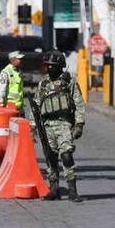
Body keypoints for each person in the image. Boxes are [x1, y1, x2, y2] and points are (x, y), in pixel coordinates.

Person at [34, 50, 86, 203]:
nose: (50, 68)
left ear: (60, 66)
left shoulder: (69, 83)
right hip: (46, 125)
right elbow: (36, 106)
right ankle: (54, 189)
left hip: (63, 123)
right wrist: (32, 127)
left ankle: (72, 190)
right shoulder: (43, 84)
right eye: (48, 65)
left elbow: (79, 104)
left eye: (53, 65)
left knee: (67, 156)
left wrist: (79, 124)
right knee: (50, 158)